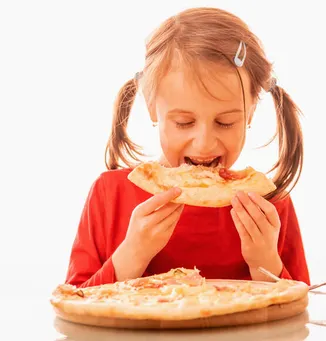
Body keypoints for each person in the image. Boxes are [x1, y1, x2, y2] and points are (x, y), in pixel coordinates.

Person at [64, 7, 310, 288]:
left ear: (250, 112)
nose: (204, 143)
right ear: (153, 109)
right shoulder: (110, 194)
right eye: (184, 122)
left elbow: (301, 314)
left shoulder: (269, 205)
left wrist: (265, 263)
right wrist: (132, 254)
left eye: (226, 122)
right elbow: (74, 306)